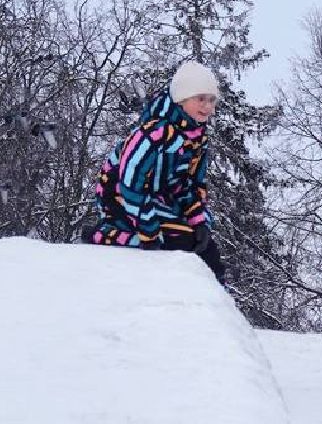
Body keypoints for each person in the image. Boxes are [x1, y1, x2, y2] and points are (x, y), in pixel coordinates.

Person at [86, 59, 225, 283]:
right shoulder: (154, 132)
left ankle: (218, 305)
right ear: (181, 99)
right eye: (200, 99)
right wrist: (148, 230)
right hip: (119, 197)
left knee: (207, 249)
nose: (207, 106)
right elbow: (129, 182)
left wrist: (199, 221)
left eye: (211, 100)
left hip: (158, 197)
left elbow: (191, 185)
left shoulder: (198, 139)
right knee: (172, 242)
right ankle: (103, 234)